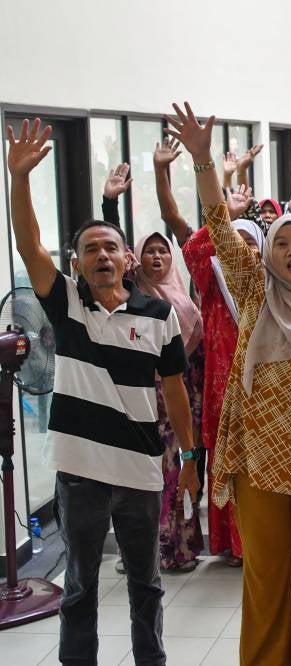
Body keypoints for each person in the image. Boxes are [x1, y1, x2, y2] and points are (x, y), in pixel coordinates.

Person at [166, 102, 291, 665]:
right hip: (259, 458)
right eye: (281, 243)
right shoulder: (256, 295)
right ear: (271, 254)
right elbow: (220, 231)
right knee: (263, 579)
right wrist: (204, 161)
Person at [7, 118, 199, 665]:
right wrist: (19, 180)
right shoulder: (66, 304)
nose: (101, 256)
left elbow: (176, 391)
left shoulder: (158, 314)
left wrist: (190, 455)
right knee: (80, 589)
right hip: (80, 472)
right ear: (77, 263)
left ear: (126, 258)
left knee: (147, 587)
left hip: (140, 471)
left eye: (110, 247)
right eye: (90, 249)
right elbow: (28, 243)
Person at [151, 136, 252, 568]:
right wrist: (164, 172)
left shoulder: (271, 291)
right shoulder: (211, 286)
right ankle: (229, 544)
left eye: (248, 245)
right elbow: (181, 228)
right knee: (224, 471)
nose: (239, 253)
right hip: (217, 393)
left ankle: (257, 542)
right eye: (232, 245)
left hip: (261, 394)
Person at [131, 231, 206, 573]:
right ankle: (148, 550)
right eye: (149, 252)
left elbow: (195, 357)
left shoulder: (183, 300)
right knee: (145, 478)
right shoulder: (131, 295)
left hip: (176, 401)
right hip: (140, 402)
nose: (157, 257)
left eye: (163, 250)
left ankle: (178, 547)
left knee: (176, 473)